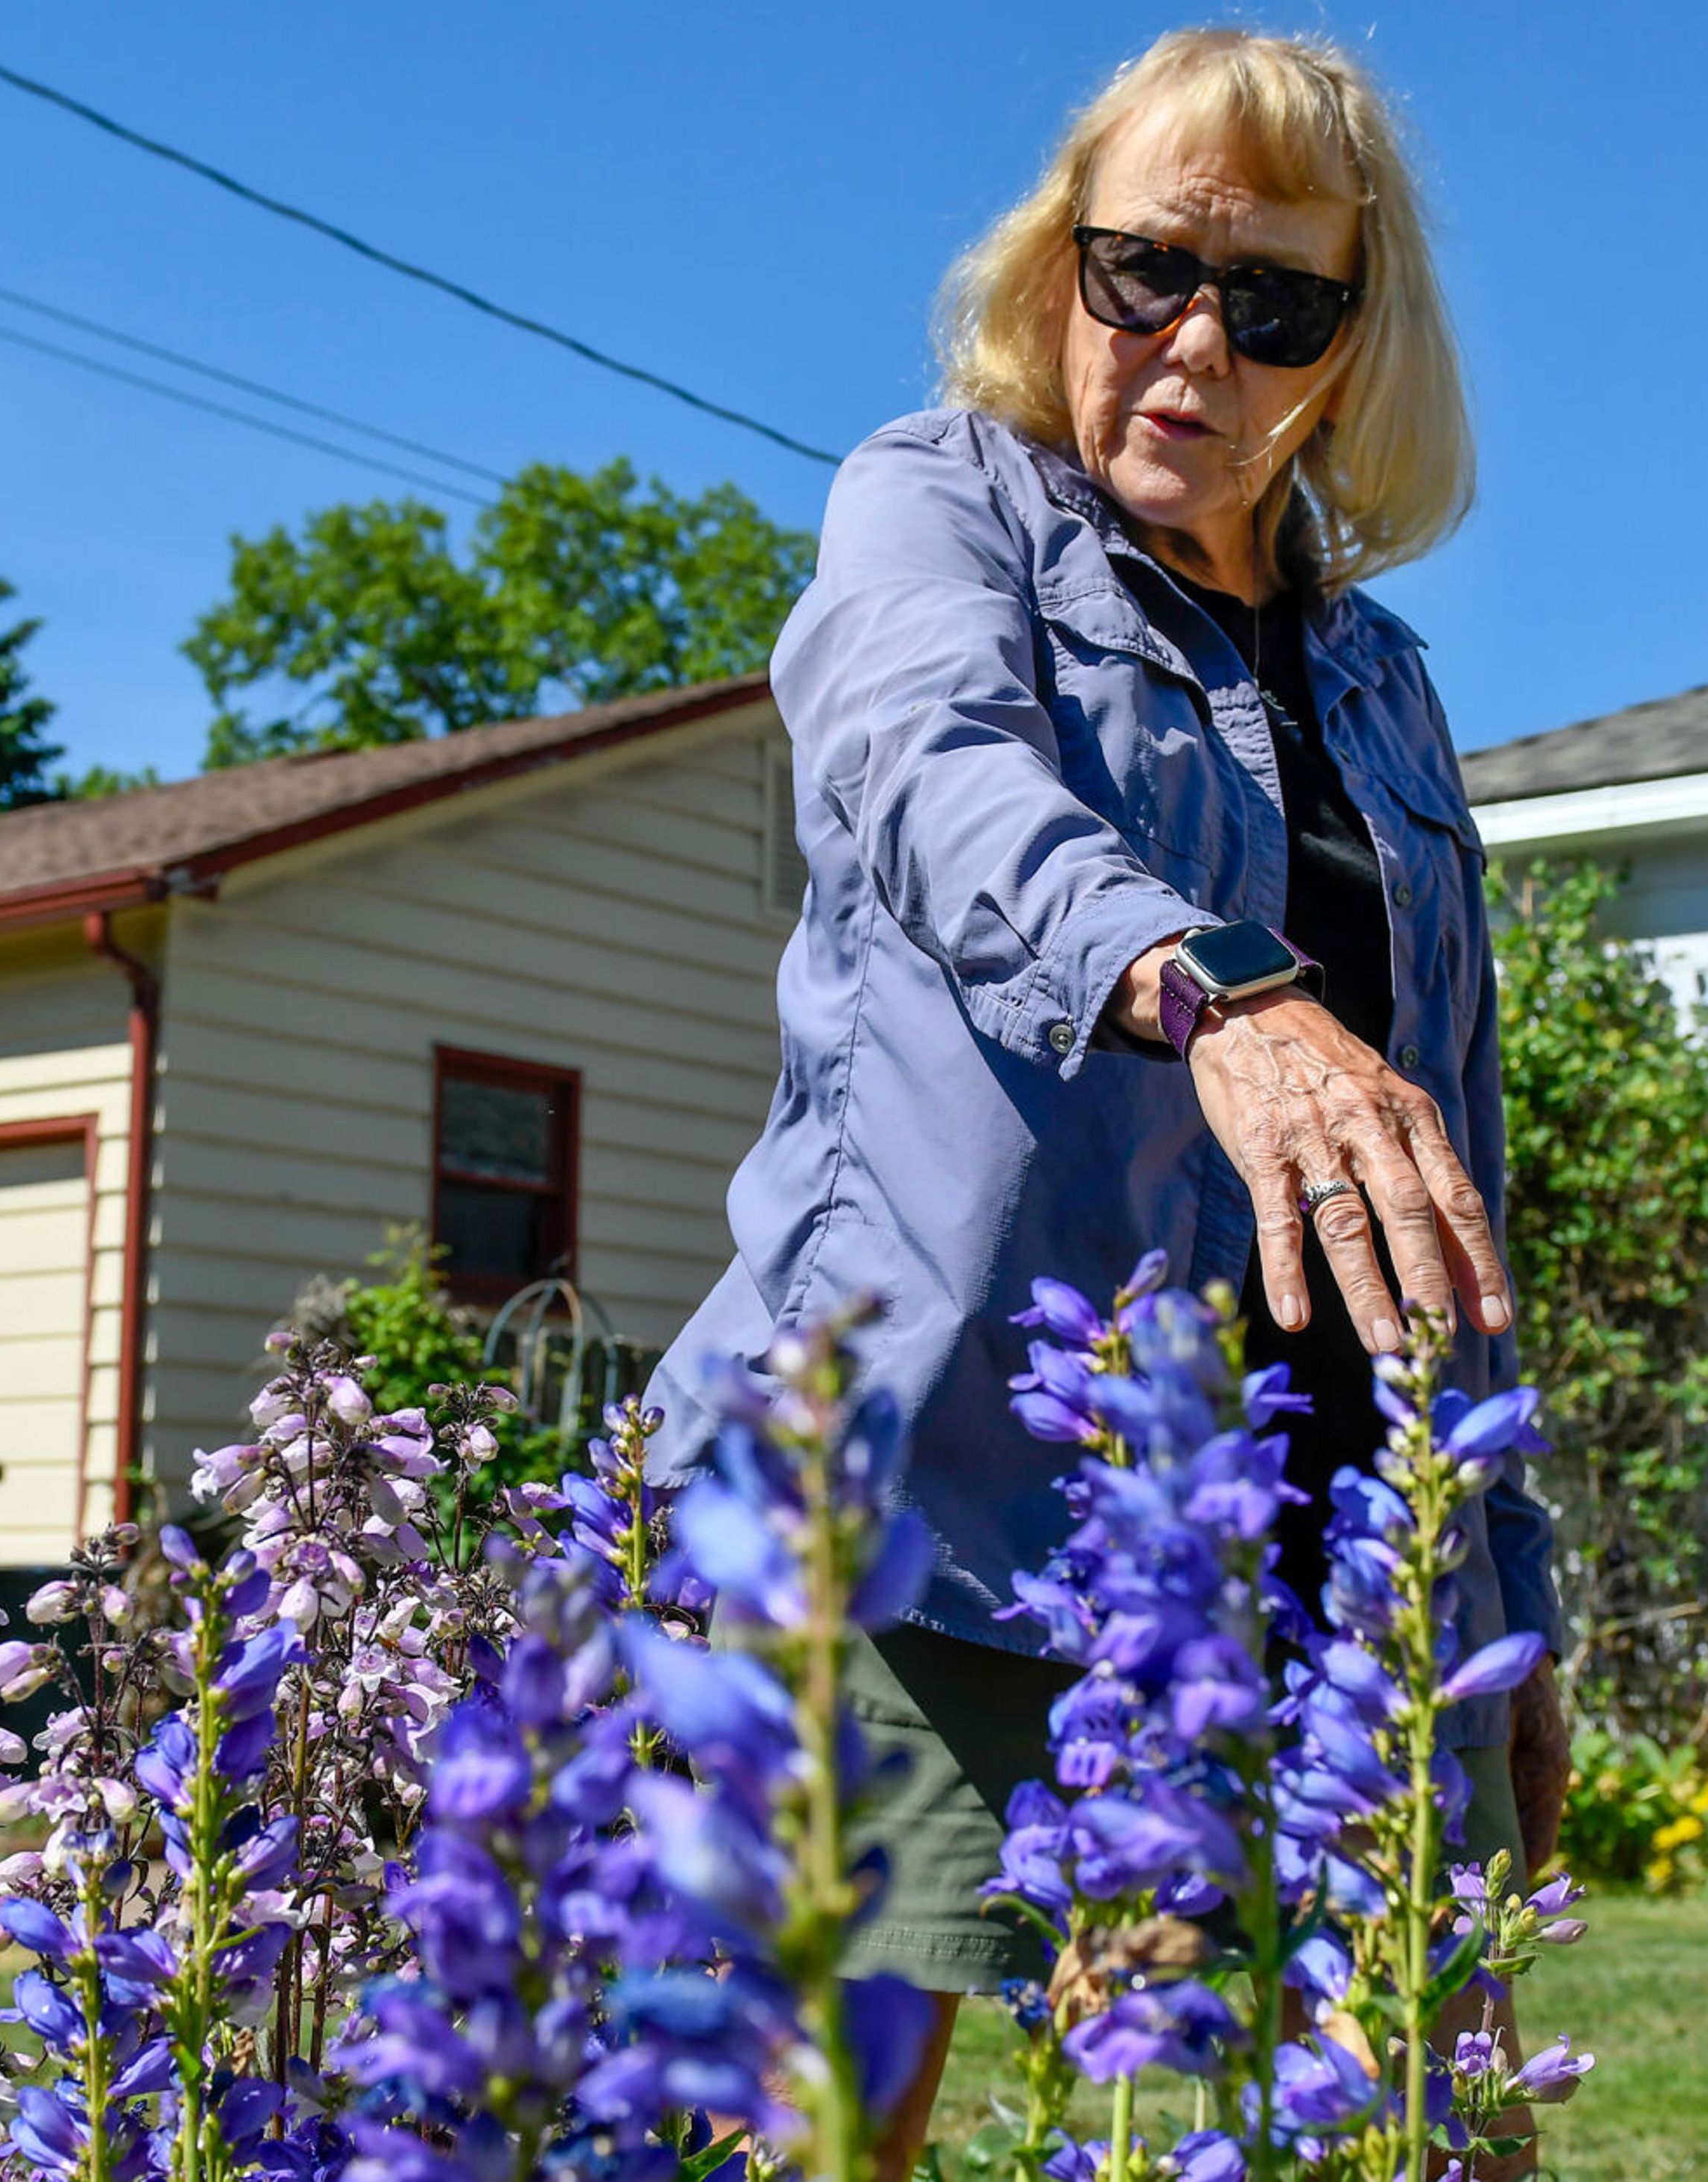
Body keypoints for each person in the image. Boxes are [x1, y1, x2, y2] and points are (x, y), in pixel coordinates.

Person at [645, 27, 1568, 2175]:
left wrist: (1504, 1594)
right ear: (1056, 266)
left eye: (1275, 304)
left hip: (1341, 1543)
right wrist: (1209, 980)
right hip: (936, 1499)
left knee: (1438, 2128)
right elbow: (925, 773)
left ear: (1350, 348)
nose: (1194, 347)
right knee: (816, 2137)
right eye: (1145, 268)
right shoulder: (936, 507)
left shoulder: (1382, 680)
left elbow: (1448, 1154)